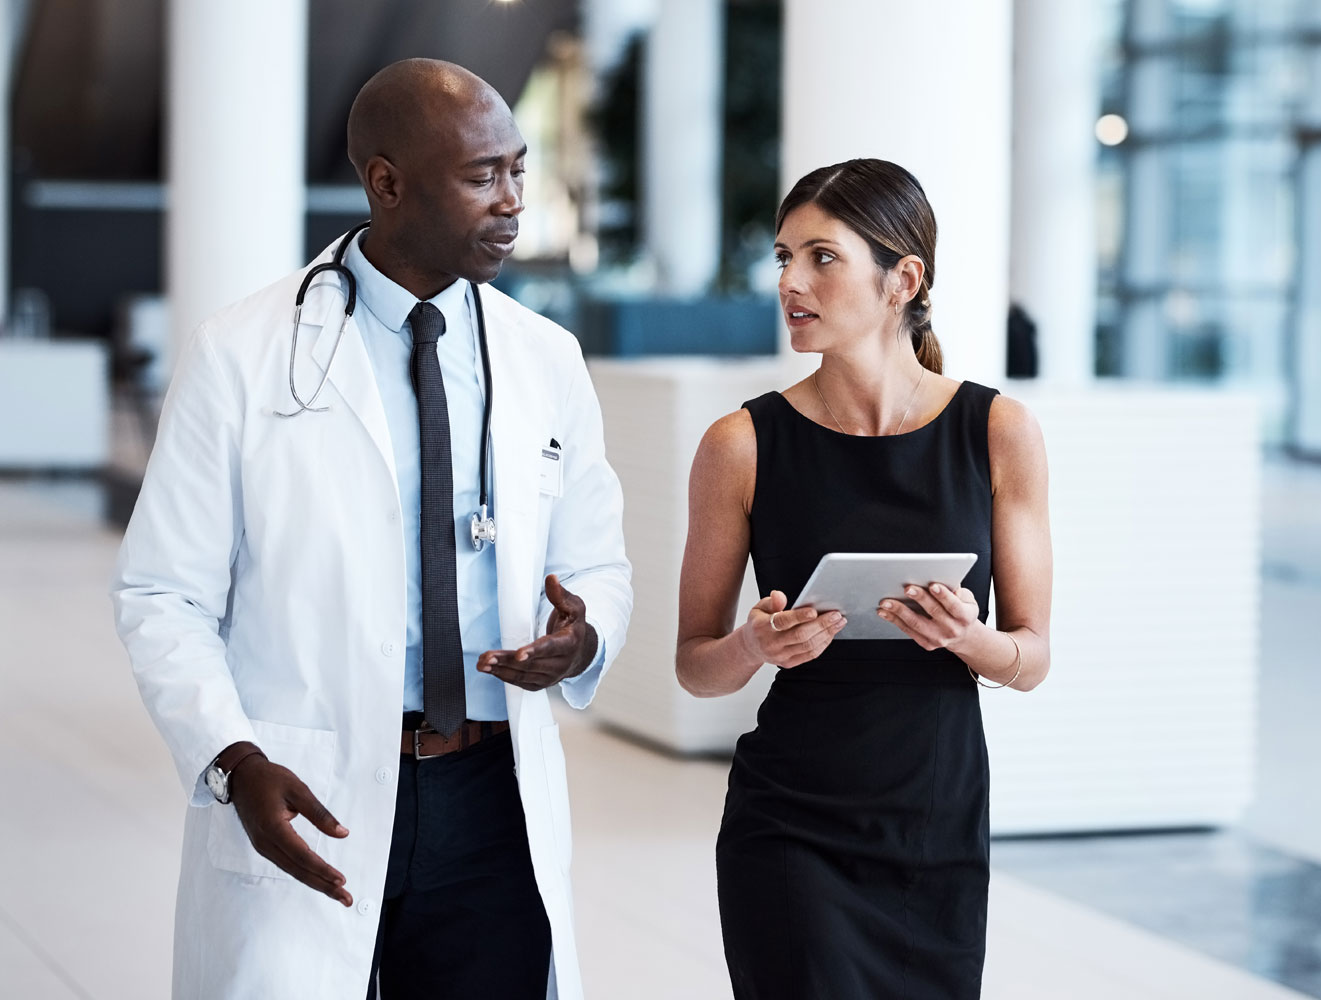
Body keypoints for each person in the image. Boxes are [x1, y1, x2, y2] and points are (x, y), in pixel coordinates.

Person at [112, 59, 631, 1000]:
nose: (513, 201)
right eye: (482, 177)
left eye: (519, 169)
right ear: (385, 183)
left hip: (492, 797)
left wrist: (582, 633)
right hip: (310, 786)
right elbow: (163, 593)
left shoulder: (543, 357)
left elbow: (595, 558)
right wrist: (232, 759)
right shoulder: (243, 353)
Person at [675, 158, 1052, 998]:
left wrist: (969, 637)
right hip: (789, 821)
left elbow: (1032, 656)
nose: (790, 282)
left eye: (822, 257)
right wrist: (753, 643)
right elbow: (694, 664)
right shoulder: (738, 445)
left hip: (935, 822)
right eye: (783, 257)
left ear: (902, 279)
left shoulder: (999, 432)